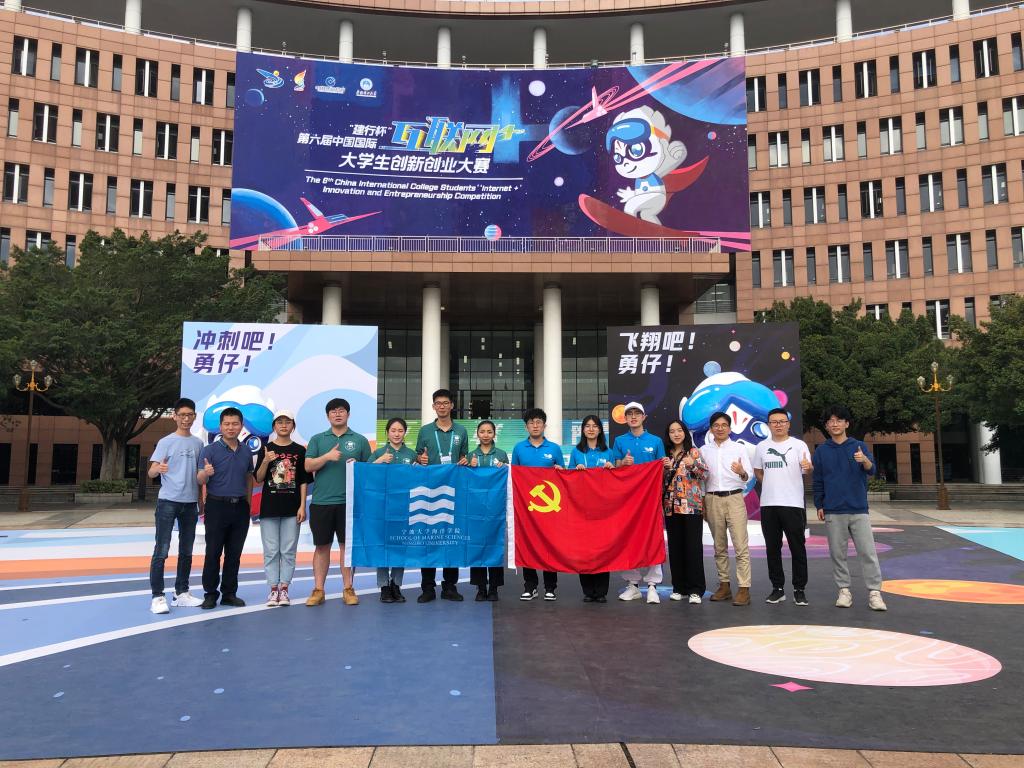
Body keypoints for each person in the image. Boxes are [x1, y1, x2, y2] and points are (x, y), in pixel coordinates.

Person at [812, 405, 887, 611]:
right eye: (830, 421)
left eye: (839, 420)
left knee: (868, 552)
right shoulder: (821, 451)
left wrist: (864, 460)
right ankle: (844, 590)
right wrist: (819, 504)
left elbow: (872, 470)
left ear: (846, 423)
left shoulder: (858, 446)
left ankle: (875, 592)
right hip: (833, 509)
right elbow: (818, 481)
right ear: (826, 426)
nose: (834, 424)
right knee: (838, 554)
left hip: (858, 508)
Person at [303, 397, 372, 608]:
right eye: (333, 411)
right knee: (321, 546)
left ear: (348, 414)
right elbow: (308, 466)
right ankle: (318, 590)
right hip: (322, 502)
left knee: (346, 547)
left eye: (341, 410)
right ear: (328, 416)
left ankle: (348, 588)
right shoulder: (317, 439)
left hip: (349, 504)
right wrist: (327, 457)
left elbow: (369, 472)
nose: (337, 414)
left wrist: (358, 465)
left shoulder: (360, 440)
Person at [196, 406, 261, 609]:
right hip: (216, 506)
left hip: (240, 507)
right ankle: (210, 594)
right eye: (226, 424)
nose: (231, 427)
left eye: (235, 424)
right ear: (220, 426)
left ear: (241, 426)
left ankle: (229, 593)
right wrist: (205, 472)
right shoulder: (209, 450)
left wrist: (248, 503)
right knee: (213, 552)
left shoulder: (246, 451)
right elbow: (199, 479)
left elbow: (248, 477)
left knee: (234, 554)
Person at [147, 398, 205, 614]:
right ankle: (157, 596)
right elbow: (151, 471)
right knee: (161, 550)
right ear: (175, 416)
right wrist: (158, 469)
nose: (186, 419)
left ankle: (181, 593)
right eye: (182, 415)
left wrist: (200, 500)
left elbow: (199, 475)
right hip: (168, 502)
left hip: (190, 504)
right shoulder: (166, 442)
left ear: (194, 417)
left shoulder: (198, 444)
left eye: (189, 415)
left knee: (186, 551)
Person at [753, 407, 812, 606]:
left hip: (793, 504)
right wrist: (772, 484)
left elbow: (807, 469)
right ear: (768, 425)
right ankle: (777, 588)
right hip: (769, 504)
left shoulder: (799, 445)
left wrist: (808, 467)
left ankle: (799, 589)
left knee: (797, 548)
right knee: (772, 548)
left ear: (788, 424)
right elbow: (758, 472)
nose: (778, 425)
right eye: (774, 422)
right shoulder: (761, 446)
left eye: (782, 421)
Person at [415, 388, 469, 602]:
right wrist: (420, 460)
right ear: (433, 406)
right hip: (429, 493)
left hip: (453, 492)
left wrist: (465, 460)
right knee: (428, 539)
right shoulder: (425, 431)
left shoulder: (461, 431)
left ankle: (450, 587)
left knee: (451, 539)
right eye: (438, 403)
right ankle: (427, 588)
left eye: (446, 403)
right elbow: (418, 457)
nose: (442, 406)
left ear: (452, 405)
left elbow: (464, 456)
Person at [611, 401, 666, 604]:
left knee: (653, 537)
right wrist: (622, 463)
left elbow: (662, 468)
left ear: (644, 417)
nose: (633, 417)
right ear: (625, 418)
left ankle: (652, 585)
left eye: (637, 413)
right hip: (627, 499)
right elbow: (614, 467)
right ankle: (632, 585)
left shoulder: (656, 441)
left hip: (650, 499)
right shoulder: (619, 441)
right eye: (629, 414)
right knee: (628, 539)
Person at [254, 409, 308, 608]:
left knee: (288, 550)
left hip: (292, 508)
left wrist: (302, 506)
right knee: (271, 551)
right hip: (269, 508)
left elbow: (303, 480)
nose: (283, 425)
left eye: (287, 422)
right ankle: (273, 589)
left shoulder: (300, 450)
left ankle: (284, 588)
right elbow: (259, 478)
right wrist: (266, 461)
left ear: (293, 426)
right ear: (274, 426)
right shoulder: (266, 449)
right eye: (280, 422)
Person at [699, 411, 754, 607]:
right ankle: (724, 586)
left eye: (724, 425)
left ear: (730, 428)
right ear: (711, 428)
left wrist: (741, 472)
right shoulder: (703, 450)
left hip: (734, 498)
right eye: (716, 425)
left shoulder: (739, 448)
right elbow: (701, 479)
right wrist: (703, 502)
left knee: (740, 545)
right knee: (719, 546)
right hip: (712, 499)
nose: (720, 428)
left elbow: (747, 477)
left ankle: (744, 588)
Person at [511, 407, 565, 601]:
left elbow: (564, 475)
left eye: (538, 422)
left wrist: (559, 469)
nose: (535, 426)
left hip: (550, 508)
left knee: (549, 545)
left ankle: (550, 587)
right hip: (526, 507)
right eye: (531, 423)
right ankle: (530, 586)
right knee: (528, 544)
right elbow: (514, 476)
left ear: (544, 425)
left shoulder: (554, 448)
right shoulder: (519, 448)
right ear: (526, 427)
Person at [370, 417, 417, 603]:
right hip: (382, 507)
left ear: (405, 433)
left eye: (400, 430)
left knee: (400, 544)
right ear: (387, 432)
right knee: (383, 545)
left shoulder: (411, 454)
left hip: (404, 507)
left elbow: (420, 477)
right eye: (393, 430)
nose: (397, 434)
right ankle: (384, 586)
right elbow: (365, 473)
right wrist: (379, 461)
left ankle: (396, 585)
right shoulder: (378, 452)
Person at [569, 415, 615, 603]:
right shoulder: (576, 452)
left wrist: (612, 468)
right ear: (582, 430)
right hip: (582, 509)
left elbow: (615, 481)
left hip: (603, 510)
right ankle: (588, 591)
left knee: (603, 550)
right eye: (587, 426)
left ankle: (601, 591)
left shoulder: (608, 452)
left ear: (600, 430)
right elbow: (568, 479)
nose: (591, 429)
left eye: (595, 426)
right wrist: (575, 470)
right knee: (585, 550)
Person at [662, 419, 709, 604]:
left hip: (691, 507)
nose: (676, 434)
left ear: (685, 433)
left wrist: (692, 464)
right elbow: (660, 481)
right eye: (672, 431)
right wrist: (663, 470)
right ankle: (679, 588)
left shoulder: (693, 452)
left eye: (679, 430)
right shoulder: (665, 454)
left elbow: (705, 474)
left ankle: (696, 589)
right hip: (670, 507)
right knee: (675, 548)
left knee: (693, 548)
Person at [467, 419, 508, 602]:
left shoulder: (501, 454)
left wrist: (504, 467)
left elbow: (508, 478)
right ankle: (480, 587)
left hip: (495, 509)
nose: (485, 435)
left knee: (495, 545)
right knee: (477, 546)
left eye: (489, 431)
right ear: (477, 434)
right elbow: (465, 479)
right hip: (475, 509)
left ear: (494, 434)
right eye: (482, 431)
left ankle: (494, 588)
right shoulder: (471, 455)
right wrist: (468, 466)